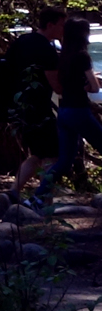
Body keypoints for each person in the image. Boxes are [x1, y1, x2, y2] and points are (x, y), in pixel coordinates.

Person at [0, 7, 70, 205]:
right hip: (38, 108)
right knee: (52, 155)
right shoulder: (46, 49)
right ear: (50, 25)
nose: (63, 30)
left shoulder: (21, 41)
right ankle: (44, 201)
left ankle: (13, 192)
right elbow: (57, 86)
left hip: (18, 106)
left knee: (38, 153)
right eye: (61, 26)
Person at [40, 19, 102, 198]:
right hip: (79, 111)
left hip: (64, 111)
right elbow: (95, 87)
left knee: (64, 161)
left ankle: (38, 197)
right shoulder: (82, 56)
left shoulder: (64, 56)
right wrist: (88, 86)